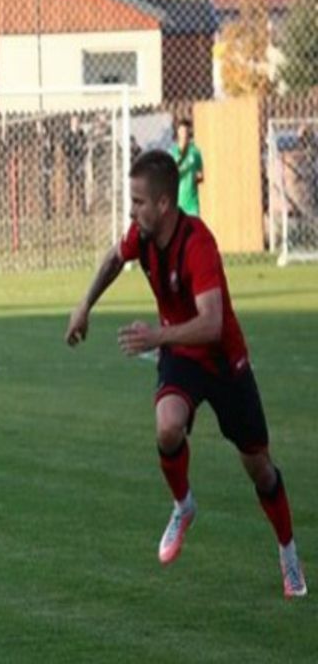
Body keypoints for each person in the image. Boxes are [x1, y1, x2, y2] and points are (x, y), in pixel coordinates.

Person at [64, 150, 307, 598]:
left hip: (223, 360)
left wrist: (157, 336)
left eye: (138, 202)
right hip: (181, 353)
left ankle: (289, 553)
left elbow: (212, 323)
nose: (132, 211)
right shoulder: (141, 235)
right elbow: (113, 260)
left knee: (260, 469)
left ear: (163, 204)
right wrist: (84, 306)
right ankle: (183, 504)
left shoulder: (199, 244)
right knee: (168, 426)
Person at [170, 119, 204, 217]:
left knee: (194, 230)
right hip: (178, 204)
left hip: (192, 204)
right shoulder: (173, 153)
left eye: (186, 132)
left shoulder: (195, 152)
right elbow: (169, 175)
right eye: (182, 132)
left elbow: (200, 174)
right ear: (178, 134)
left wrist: (195, 177)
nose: (184, 135)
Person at [62, 114, 87, 217]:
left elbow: (85, 146)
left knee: (80, 187)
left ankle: (82, 210)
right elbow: (65, 148)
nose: (76, 124)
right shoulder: (68, 134)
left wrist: (82, 150)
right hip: (71, 163)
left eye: (77, 121)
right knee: (70, 188)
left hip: (79, 162)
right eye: (74, 121)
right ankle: (68, 211)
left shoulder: (81, 134)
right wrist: (71, 150)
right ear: (71, 123)